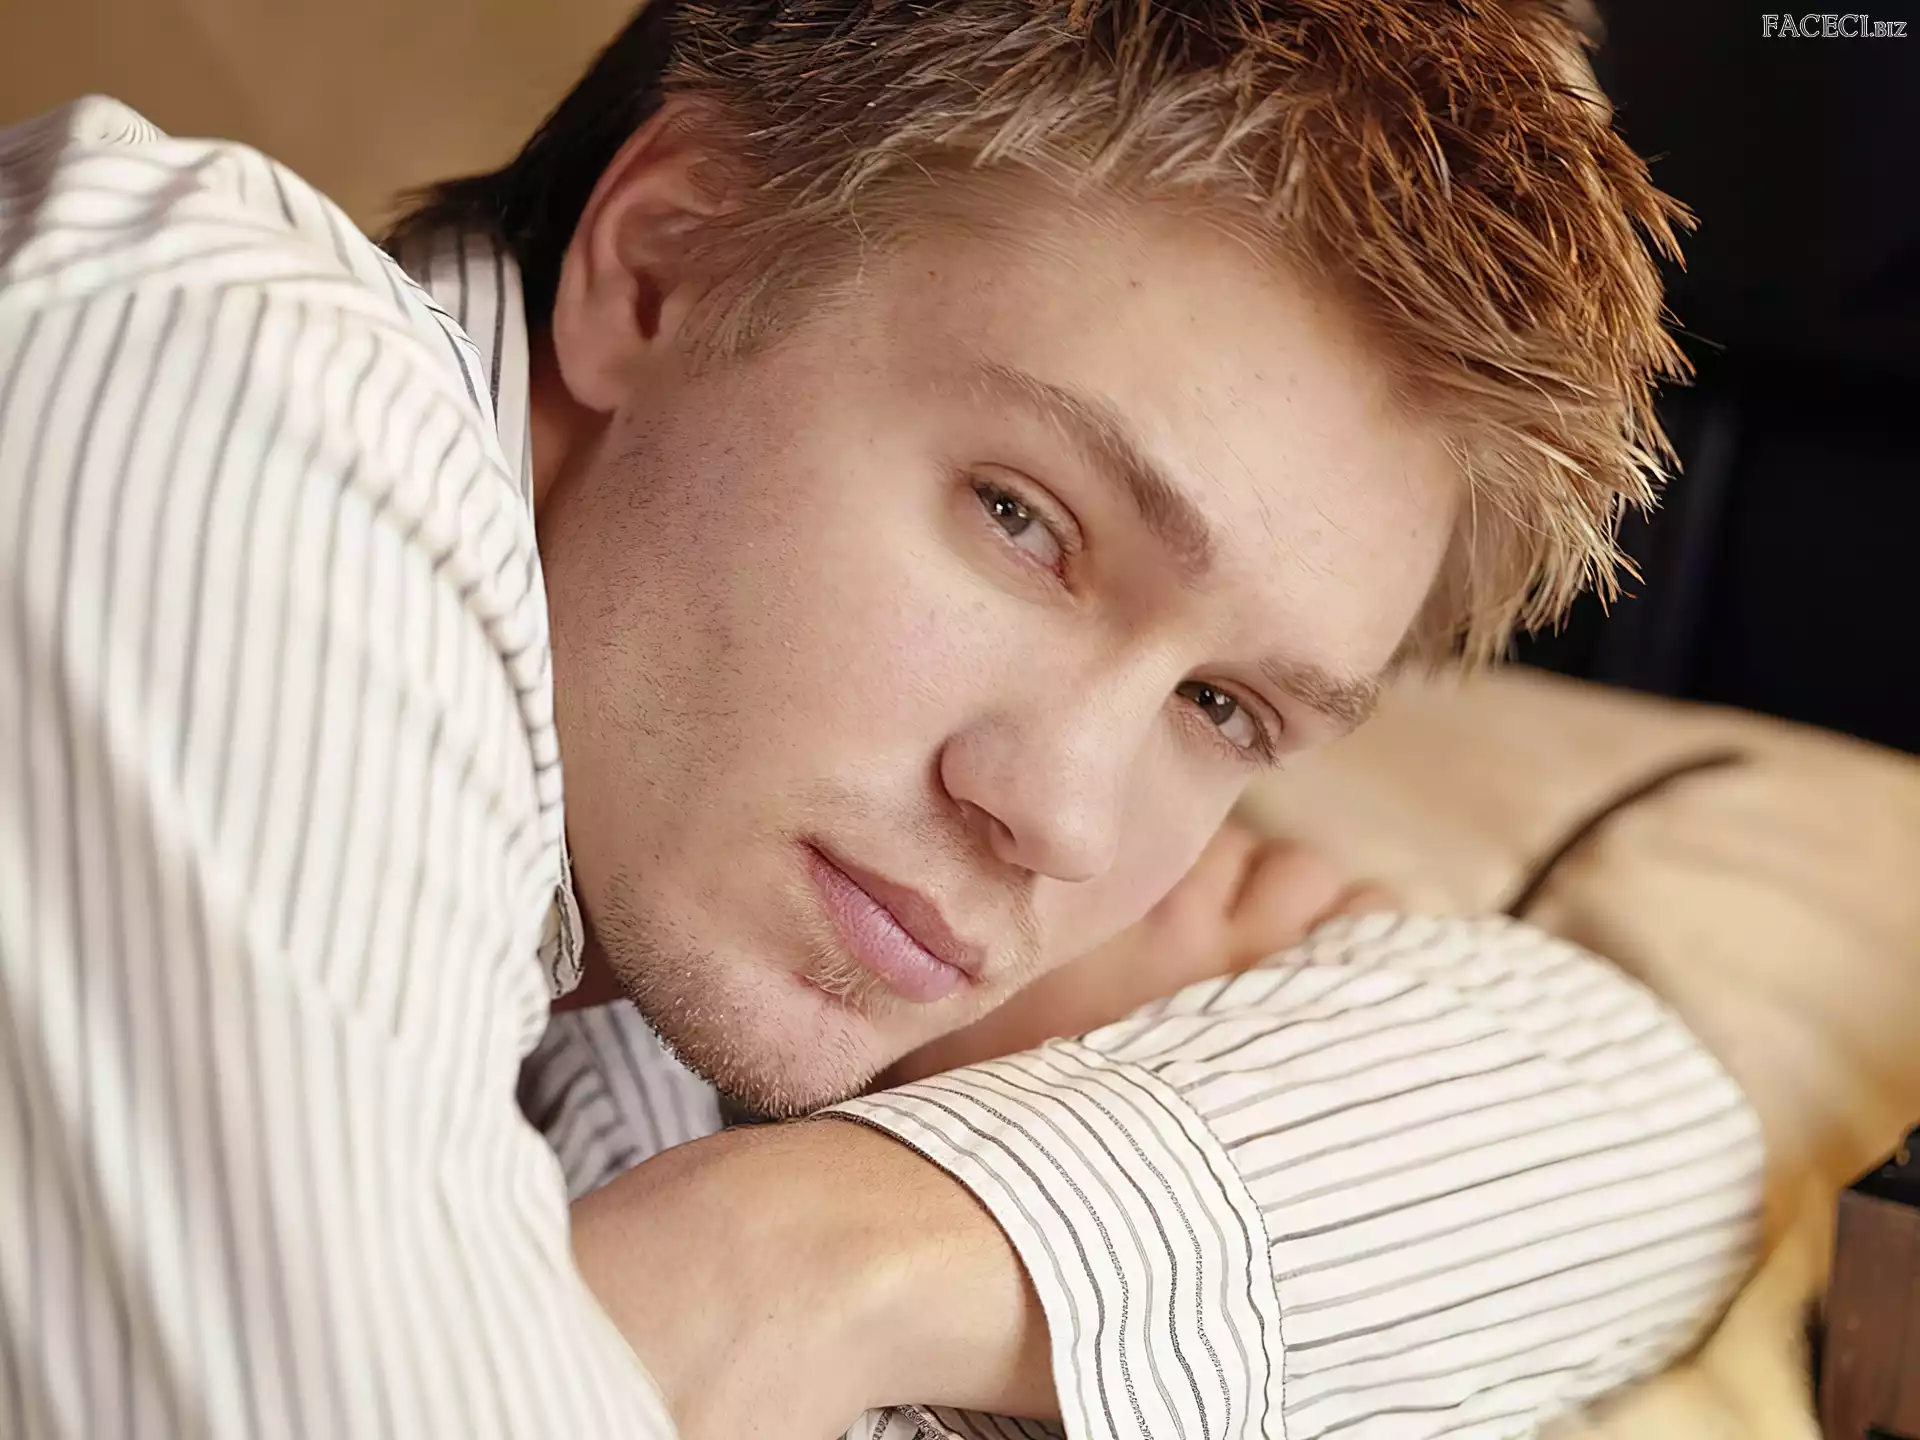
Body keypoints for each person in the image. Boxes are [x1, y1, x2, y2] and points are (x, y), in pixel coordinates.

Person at [0, 2, 1764, 1437]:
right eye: (1024, 522)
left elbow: (1649, 1141)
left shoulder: (653, 891)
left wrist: (840, 1249)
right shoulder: (207, 375)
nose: (1064, 820)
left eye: (1220, 707)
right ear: (666, 266)